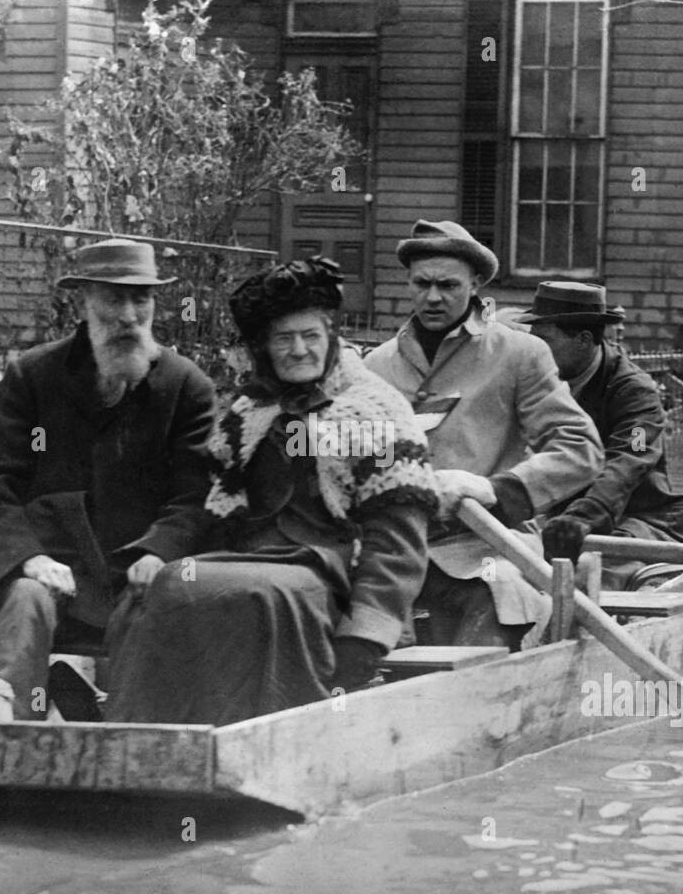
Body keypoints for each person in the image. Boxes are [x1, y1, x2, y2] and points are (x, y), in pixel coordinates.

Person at [102, 257, 438, 725]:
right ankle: (146, 733)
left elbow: (398, 540)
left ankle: (250, 733)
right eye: (284, 339)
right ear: (265, 347)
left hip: (324, 571)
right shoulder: (249, 411)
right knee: (162, 586)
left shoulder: (375, 413)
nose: (299, 350)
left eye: (311, 336)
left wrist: (366, 631)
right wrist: (159, 552)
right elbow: (210, 505)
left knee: (227, 591)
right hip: (247, 559)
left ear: (331, 339)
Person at [0, 239, 216, 719]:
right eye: (113, 298)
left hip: (142, 573)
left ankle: (128, 739)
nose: (129, 315)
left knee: (155, 617)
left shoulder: (186, 387)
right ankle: (3, 732)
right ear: (85, 301)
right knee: (25, 598)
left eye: (141, 299)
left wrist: (160, 551)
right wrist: (27, 557)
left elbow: (198, 493)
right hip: (56, 571)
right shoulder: (34, 377)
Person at [364, 220, 603, 649]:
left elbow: (580, 449)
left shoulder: (519, 354)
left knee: (500, 597)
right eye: (422, 284)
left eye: (448, 285)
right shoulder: (376, 367)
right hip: (395, 550)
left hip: (487, 547)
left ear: (474, 284)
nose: (433, 297)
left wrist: (492, 489)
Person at [519, 282, 683, 588]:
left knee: (590, 571)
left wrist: (584, 517)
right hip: (559, 521)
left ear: (584, 339)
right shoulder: (535, 382)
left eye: (545, 340)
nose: (535, 351)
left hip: (640, 520)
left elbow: (631, 458)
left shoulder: (635, 392)